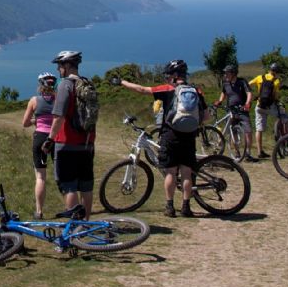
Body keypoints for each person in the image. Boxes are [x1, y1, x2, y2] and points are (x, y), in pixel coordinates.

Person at [116, 59, 202, 218]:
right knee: (186, 173)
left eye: (168, 75)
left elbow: (142, 89)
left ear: (175, 76)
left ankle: (170, 207)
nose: (167, 78)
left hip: (171, 135)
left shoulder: (168, 89)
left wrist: (122, 82)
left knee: (170, 172)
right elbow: (206, 116)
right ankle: (186, 207)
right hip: (189, 136)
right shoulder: (196, 90)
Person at [47, 50, 96, 218]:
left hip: (66, 143)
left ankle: (73, 229)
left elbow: (59, 116)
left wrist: (50, 139)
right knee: (86, 187)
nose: (58, 69)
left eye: (60, 66)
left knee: (69, 187)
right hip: (87, 143)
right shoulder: (88, 84)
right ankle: (86, 225)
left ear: (67, 66)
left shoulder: (64, 85)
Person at [20, 71, 58, 217]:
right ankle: (71, 206)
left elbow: (25, 123)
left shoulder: (34, 100)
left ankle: (39, 211)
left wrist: (36, 121)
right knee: (61, 173)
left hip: (40, 138)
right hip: (56, 138)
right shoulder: (58, 100)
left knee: (40, 177)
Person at [248, 59, 287, 158]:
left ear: (269, 70)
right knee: (284, 117)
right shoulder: (276, 81)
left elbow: (248, 85)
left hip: (259, 105)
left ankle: (259, 151)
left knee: (259, 129)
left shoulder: (260, 77)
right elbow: (275, 96)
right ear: (276, 72)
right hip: (270, 106)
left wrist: (252, 96)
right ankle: (286, 139)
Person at [213, 62, 252, 158]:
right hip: (230, 111)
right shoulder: (225, 83)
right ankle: (237, 152)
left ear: (233, 73)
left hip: (242, 110)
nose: (225, 75)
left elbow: (249, 93)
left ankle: (248, 152)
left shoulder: (242, 82)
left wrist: (247, 103)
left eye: (227, 73)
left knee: (248, 131)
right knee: (232, 132)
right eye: (225, 73)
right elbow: (223, 93)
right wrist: (220, 101)